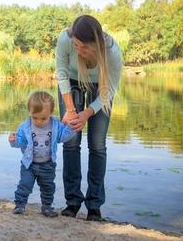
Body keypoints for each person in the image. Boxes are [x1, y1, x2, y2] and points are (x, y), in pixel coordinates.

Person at [56, 15, 122, 221]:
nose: (78, 50)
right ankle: (72, 202)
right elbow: (62, 72)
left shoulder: (112, 52)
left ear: (95, 45)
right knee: (71, 142)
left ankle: (94, 206)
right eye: (75, 45)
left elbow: (109, 90)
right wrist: (70, 109)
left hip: (100, 87)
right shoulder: (65, 39)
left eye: (82, 47)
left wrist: (86, 113)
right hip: (71, 84)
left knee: (97, 145)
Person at [8, 91, 75, 217]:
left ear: (51, 113)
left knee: (48, 187)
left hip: (48, 164)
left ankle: (47, 207)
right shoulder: (25, 126)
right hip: (29, 164)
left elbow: (63, 136)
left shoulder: (55, 125)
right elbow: (21, 141)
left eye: (43, 118)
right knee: (25, 185)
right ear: (30, 113)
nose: (39, 121)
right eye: (35, 117)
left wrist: (72, 128)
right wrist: (14, 140)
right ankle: (20, 205)